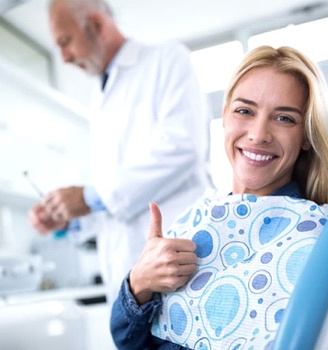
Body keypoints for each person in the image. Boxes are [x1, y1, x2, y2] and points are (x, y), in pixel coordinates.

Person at [110, 45, 328, 350]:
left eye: (284, 118)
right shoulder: (194, 220)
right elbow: (129, 342)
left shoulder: (321, 237)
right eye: (245, 111)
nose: (259, 134)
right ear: (225, 117)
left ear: (305, 136)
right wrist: (138, 284)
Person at [28, 0, 212, 303]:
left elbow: (183, 148)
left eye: (65, 42)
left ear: (97, 26)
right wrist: (69, 215)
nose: (63, 58)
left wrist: (86, 198)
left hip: (178, 267)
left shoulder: (166, 60)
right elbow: (114, 196)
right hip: (128, 281)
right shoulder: (99, 98)